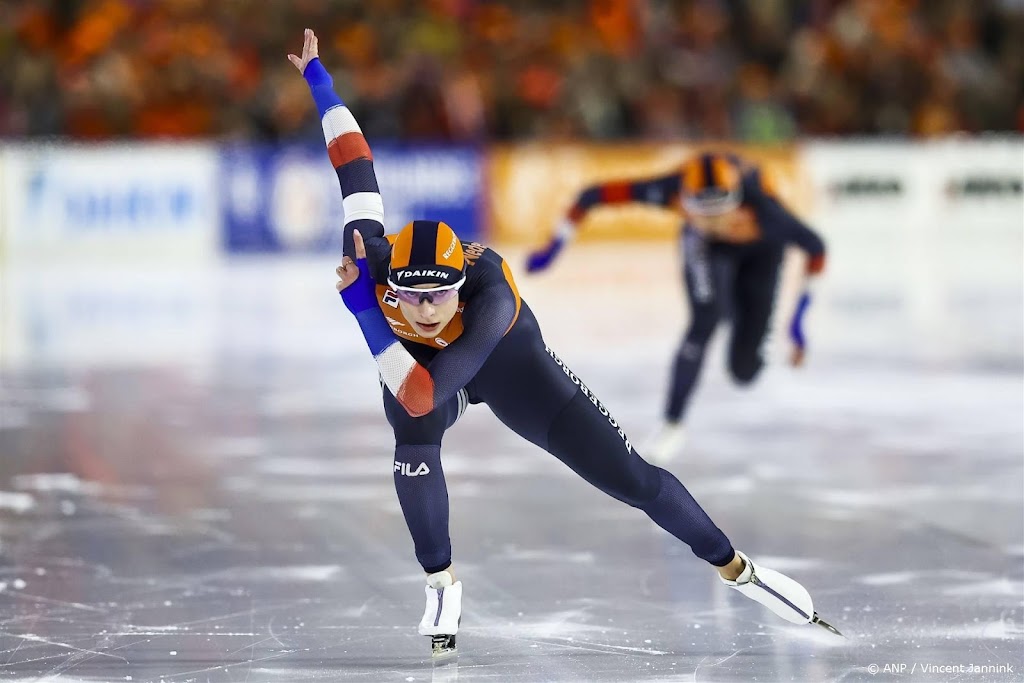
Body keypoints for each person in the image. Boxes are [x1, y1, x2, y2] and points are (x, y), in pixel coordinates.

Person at [288, 29, 839, 658]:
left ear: (461, 284)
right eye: (408, 298)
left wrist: (364, 310)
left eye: (438, 297)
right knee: (413, 445)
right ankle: (441, 584)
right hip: (422, 376)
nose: (424, 310)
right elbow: (355, 166)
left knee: (631, 477)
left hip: (505, 364)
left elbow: (421, 394)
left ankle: (737, 566)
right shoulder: (370, 256)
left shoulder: (491, 298)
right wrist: (319, 81)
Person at [527, 152, 826, 462]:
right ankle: (672, 422)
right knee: (706, 319)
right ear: (684, 201)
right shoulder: (668, 189)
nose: (713, 221)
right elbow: (593, 195)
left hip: (762, 254)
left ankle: (737, 308)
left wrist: (798, 320)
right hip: (706, 249)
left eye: (721, 214)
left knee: (745, 371)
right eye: (703, 213)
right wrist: (555, 246)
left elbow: (816, 249)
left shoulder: (767, 211)